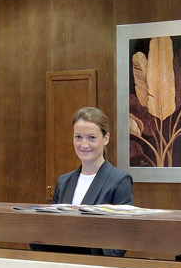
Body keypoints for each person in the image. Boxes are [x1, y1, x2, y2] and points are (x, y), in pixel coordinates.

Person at [45, 106, 132, 256]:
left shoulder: (119, 180)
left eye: (91, 137)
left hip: (97, 265)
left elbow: (122, 239)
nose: (84, 144)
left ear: (106, 138)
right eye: (78, 137)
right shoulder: (63, 182)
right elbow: (53, 230)